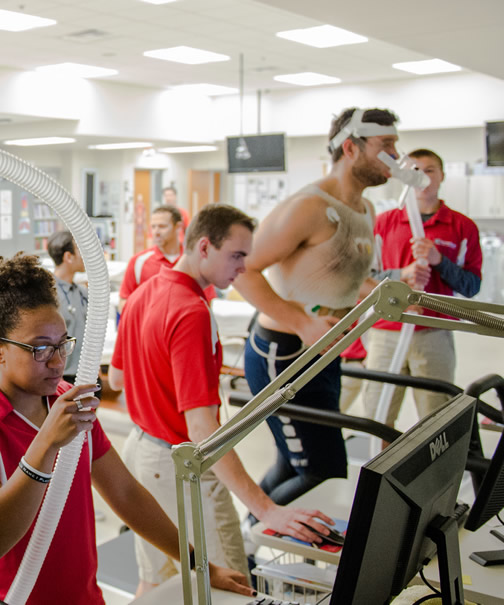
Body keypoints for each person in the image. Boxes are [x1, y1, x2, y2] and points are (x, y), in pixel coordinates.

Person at [0, 254, 252, 604]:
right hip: (7, 598)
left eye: (62, 344)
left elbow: (126, 493)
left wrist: (198, 564)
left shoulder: (67, 404)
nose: (59, 362)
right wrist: (46, 446)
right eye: (40, 348)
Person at [109, 204, 334, 596]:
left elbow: (117, 377)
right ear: (204, 247)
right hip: (180, 466)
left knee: (157, 580)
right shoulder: (191, 311)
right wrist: (267, 510)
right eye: (237, 256)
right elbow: (201, 428)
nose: (244, 268)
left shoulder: (143, 293)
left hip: (141, 453)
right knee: (233, 587)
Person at [233, 107, 398, 506]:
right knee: (323, 470)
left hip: (324, 354)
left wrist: (383, 290)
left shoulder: (365, 210)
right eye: (386, 145)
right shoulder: (307, 207)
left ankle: (254, 554)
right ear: (351, 148)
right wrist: (301, 322)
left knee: (297, 462)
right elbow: (242, 268)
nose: (396, 154)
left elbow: (337, 275)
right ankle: (256, 545)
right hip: (283, 354)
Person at [363, 148, 482, 426]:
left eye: (429, 170)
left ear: (441, 176)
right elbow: (364, 277)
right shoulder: (384, 223)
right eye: (414, 171)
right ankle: (378, 467)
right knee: (377, 416)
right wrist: (401, 274)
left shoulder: (462, 227)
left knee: (435, 419)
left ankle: (432, 470)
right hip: (387, 329)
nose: (422, 177)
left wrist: (439, 261)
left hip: (434, 332)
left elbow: (472, 285)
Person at [119, 205, 183, 308]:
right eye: (153, 227)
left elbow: (206, 303)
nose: (156, 232)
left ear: (178, 227)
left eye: (162, 226)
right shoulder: (138, 262)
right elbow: (124, 302)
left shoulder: (192, 261)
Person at [47, 230, 88, 384]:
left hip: (86, 374)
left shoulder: (82, 292)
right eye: (80, 250)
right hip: (61, 378)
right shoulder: (48, 294)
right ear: (68, 257)